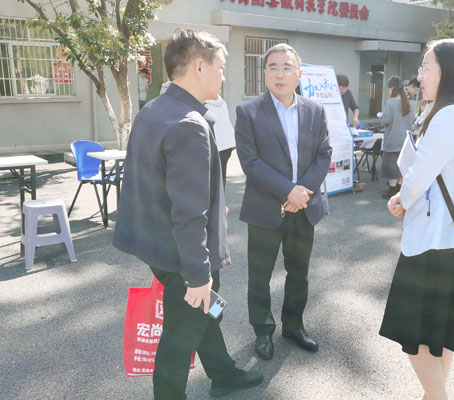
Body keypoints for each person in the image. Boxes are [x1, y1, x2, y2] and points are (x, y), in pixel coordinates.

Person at [113, 29, 263, 399]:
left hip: (159, 247)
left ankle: (223, 374)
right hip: (185, 257)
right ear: (199, 67)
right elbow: (188, 213)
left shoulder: (154, 109)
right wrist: (198, 276)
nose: (223, 77)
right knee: (180, 338)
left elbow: (156, 182)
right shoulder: (189, 124)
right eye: (220, 68)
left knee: (203, 314)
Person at [380, 38, 454, 400]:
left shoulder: (449, 115)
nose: (420, 75)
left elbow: (418, 176)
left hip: (431, 242)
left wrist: (400, 198)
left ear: (449, 70)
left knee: (415, 337)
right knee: (439, 336)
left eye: (427, 66)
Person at [235, 43, 332, 361]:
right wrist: (287, 191)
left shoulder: (315, 110)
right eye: (273, 67)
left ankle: (294, 325)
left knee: (299, 272)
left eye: (287, 67)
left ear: (299, 74)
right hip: (265, 208)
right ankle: (262, 331)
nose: (280, 74)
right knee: (260, 275)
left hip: (303, 208)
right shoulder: (248, 112)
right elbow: (249, 161)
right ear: (264, 74)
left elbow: (324, 155)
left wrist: (301, 193)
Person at [380, 76, 414, 199]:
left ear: (392, 88)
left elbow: (385, 121)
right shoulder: (408, 104)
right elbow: (412, 121)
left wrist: (381, 117)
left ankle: (391, 191)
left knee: (392, 167)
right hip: (405, 141)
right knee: (402, 167)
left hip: (392, 140)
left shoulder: (390, 103)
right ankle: (399, 189)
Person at [205, 95, 236, 187]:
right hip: (226, 143)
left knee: (211, 177)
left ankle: (216, 195)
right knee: (221, 174)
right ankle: (220, 195)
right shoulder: (221, 101)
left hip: (215, 144)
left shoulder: (204, 104)